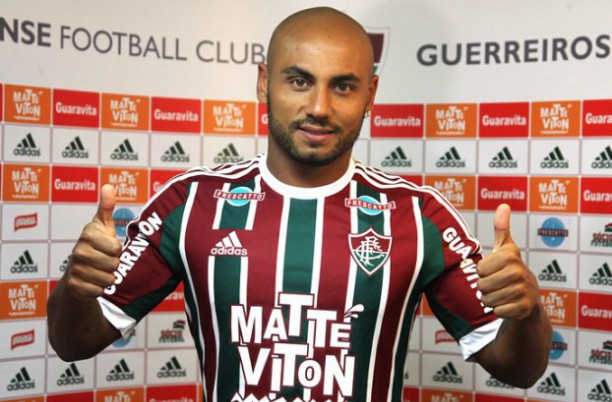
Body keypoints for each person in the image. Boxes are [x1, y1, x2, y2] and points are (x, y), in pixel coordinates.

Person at [47, 6, 552, 402]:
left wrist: (526, 311)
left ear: (370, 94)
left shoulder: (418, 216)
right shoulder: (191, 202)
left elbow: (521, 369)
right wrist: (76, 287)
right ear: (263, 82)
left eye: (343, 86)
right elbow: (73, 342)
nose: (319, 107)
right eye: (299, 80)